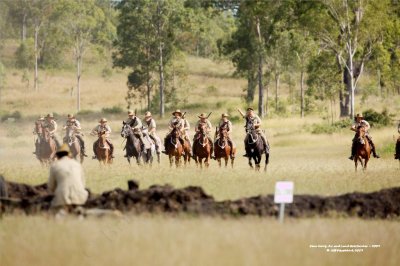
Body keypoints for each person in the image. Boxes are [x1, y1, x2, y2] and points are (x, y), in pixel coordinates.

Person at [47, 144, 88, 208]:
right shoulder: (77, 164)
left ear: (57, 155)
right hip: (81, 197)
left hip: (62, 198)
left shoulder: (55, 165)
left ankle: (83, 150)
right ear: (69, 154)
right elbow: (83, 184)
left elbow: (51, 186)